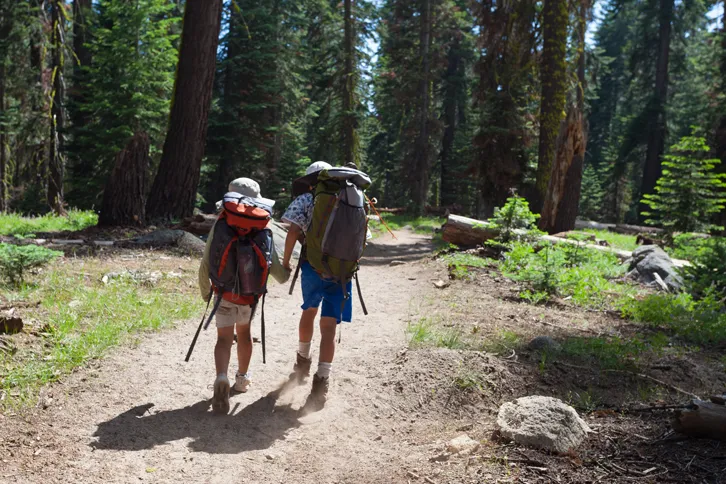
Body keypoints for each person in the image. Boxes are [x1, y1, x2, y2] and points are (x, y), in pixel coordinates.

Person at [199, 177, 290, 414]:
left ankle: (221, 377)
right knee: (244, 335)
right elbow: (275, 266)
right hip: (249, 296)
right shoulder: (263, 224)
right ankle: (241, 379)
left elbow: (206, 261)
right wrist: (285, 275)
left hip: (223, 294)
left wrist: (205, 291)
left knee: (223, 340)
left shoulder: (221, 222)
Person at [282, 161, 358, 404]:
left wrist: (285, 262)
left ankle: (302, 364)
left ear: (311, 180)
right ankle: (321, 382)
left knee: (309, 311)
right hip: (341, 271)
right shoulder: (351, 199)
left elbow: (292, 231)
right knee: (329, 327)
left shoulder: (306, 199)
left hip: (313, 267)